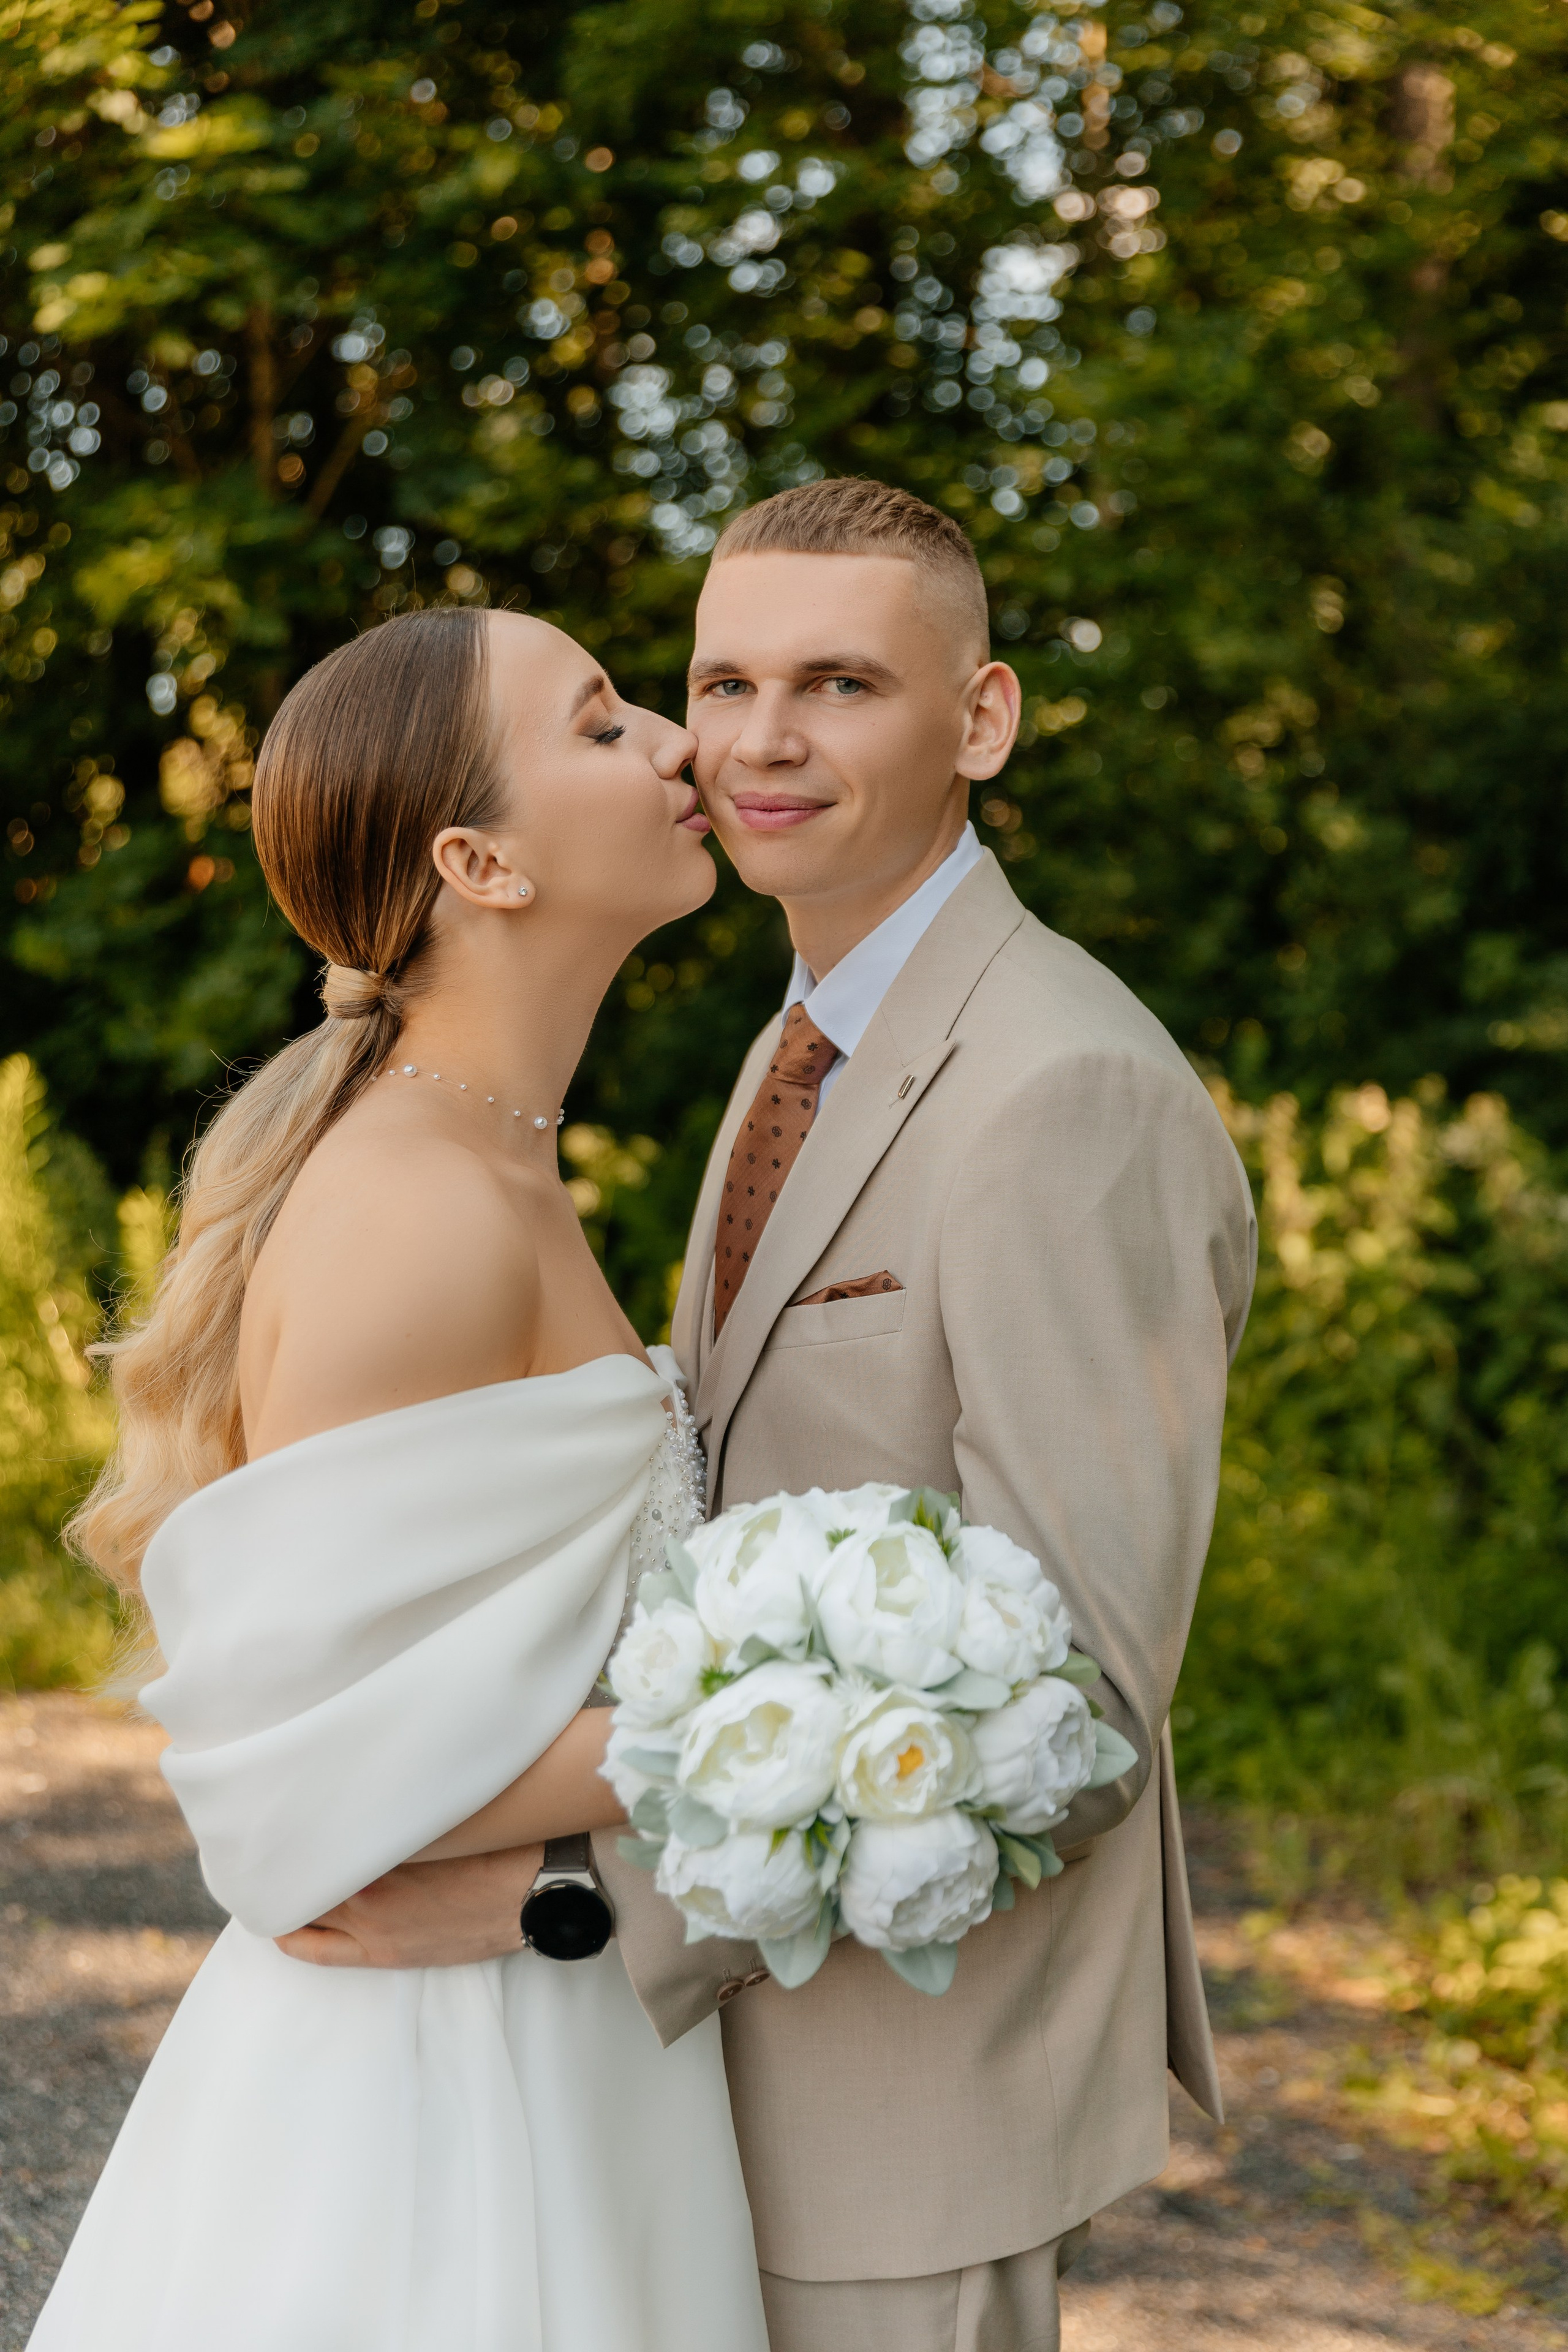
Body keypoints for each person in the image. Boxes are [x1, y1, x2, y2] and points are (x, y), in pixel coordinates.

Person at [320, 478, 1259, 2352]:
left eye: (840, 684)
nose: (757, 742)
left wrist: (565, 1905)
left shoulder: (1065, 1091)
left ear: (980, 720)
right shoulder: (799, 1037)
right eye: (723, 682)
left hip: (905, 2095)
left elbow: (1073, 1704)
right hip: (709, 2086)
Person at [28, 607, 769, 2352]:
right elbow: (318, 1783)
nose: (679, 741)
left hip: (559, 2033)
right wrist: (788, 1716)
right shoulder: (415, 1207)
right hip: (440, 2101)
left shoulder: (493, 1163)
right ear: (478, 862)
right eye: (602, 723)